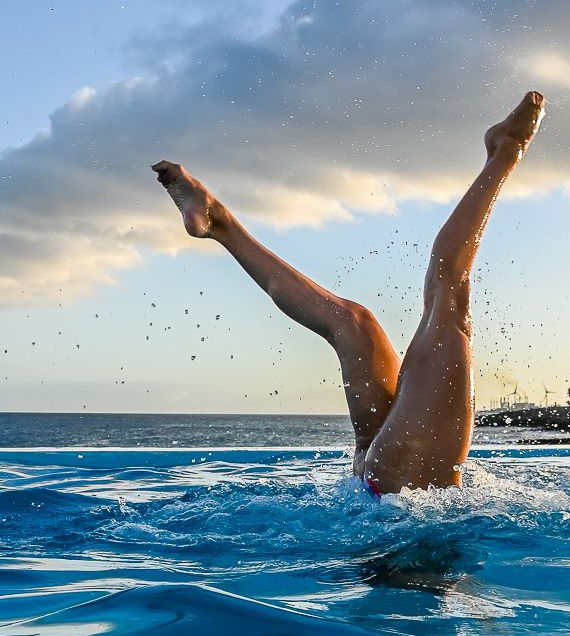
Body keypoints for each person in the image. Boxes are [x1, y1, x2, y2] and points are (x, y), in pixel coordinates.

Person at [152, 90, 545, 494]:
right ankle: (219, 224)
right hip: (386, 486)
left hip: (396, 483)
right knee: (356, 321)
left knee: (433, 301)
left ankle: (505, 152)